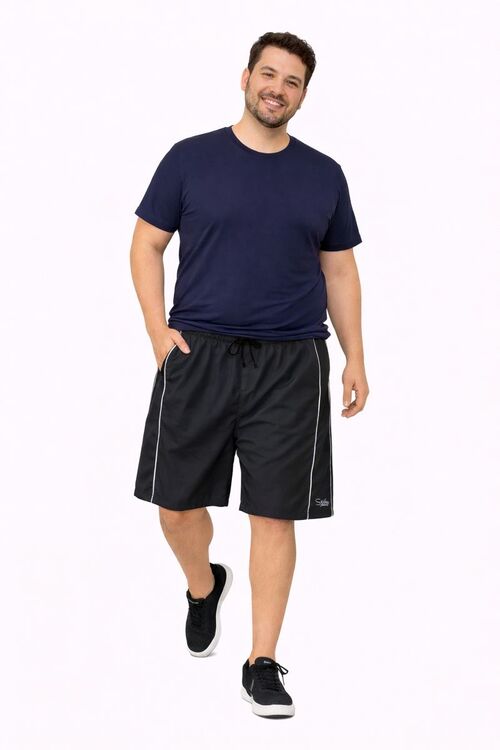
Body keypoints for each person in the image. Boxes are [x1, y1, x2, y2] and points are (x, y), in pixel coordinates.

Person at [129, 31, 369, 719]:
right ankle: (204, 586)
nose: (277, 89)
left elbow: (339, 270)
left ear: (303, 95)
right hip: (198, 353)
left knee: (274, 513)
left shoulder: (323, 174)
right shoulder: (190, 158)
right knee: (175, 507)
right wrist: (157, 331)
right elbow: (146, 244)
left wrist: (355, 356)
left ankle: (262, 661)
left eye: (292, 81)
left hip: (291, 362)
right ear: (245, 78)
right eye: (269, 74)